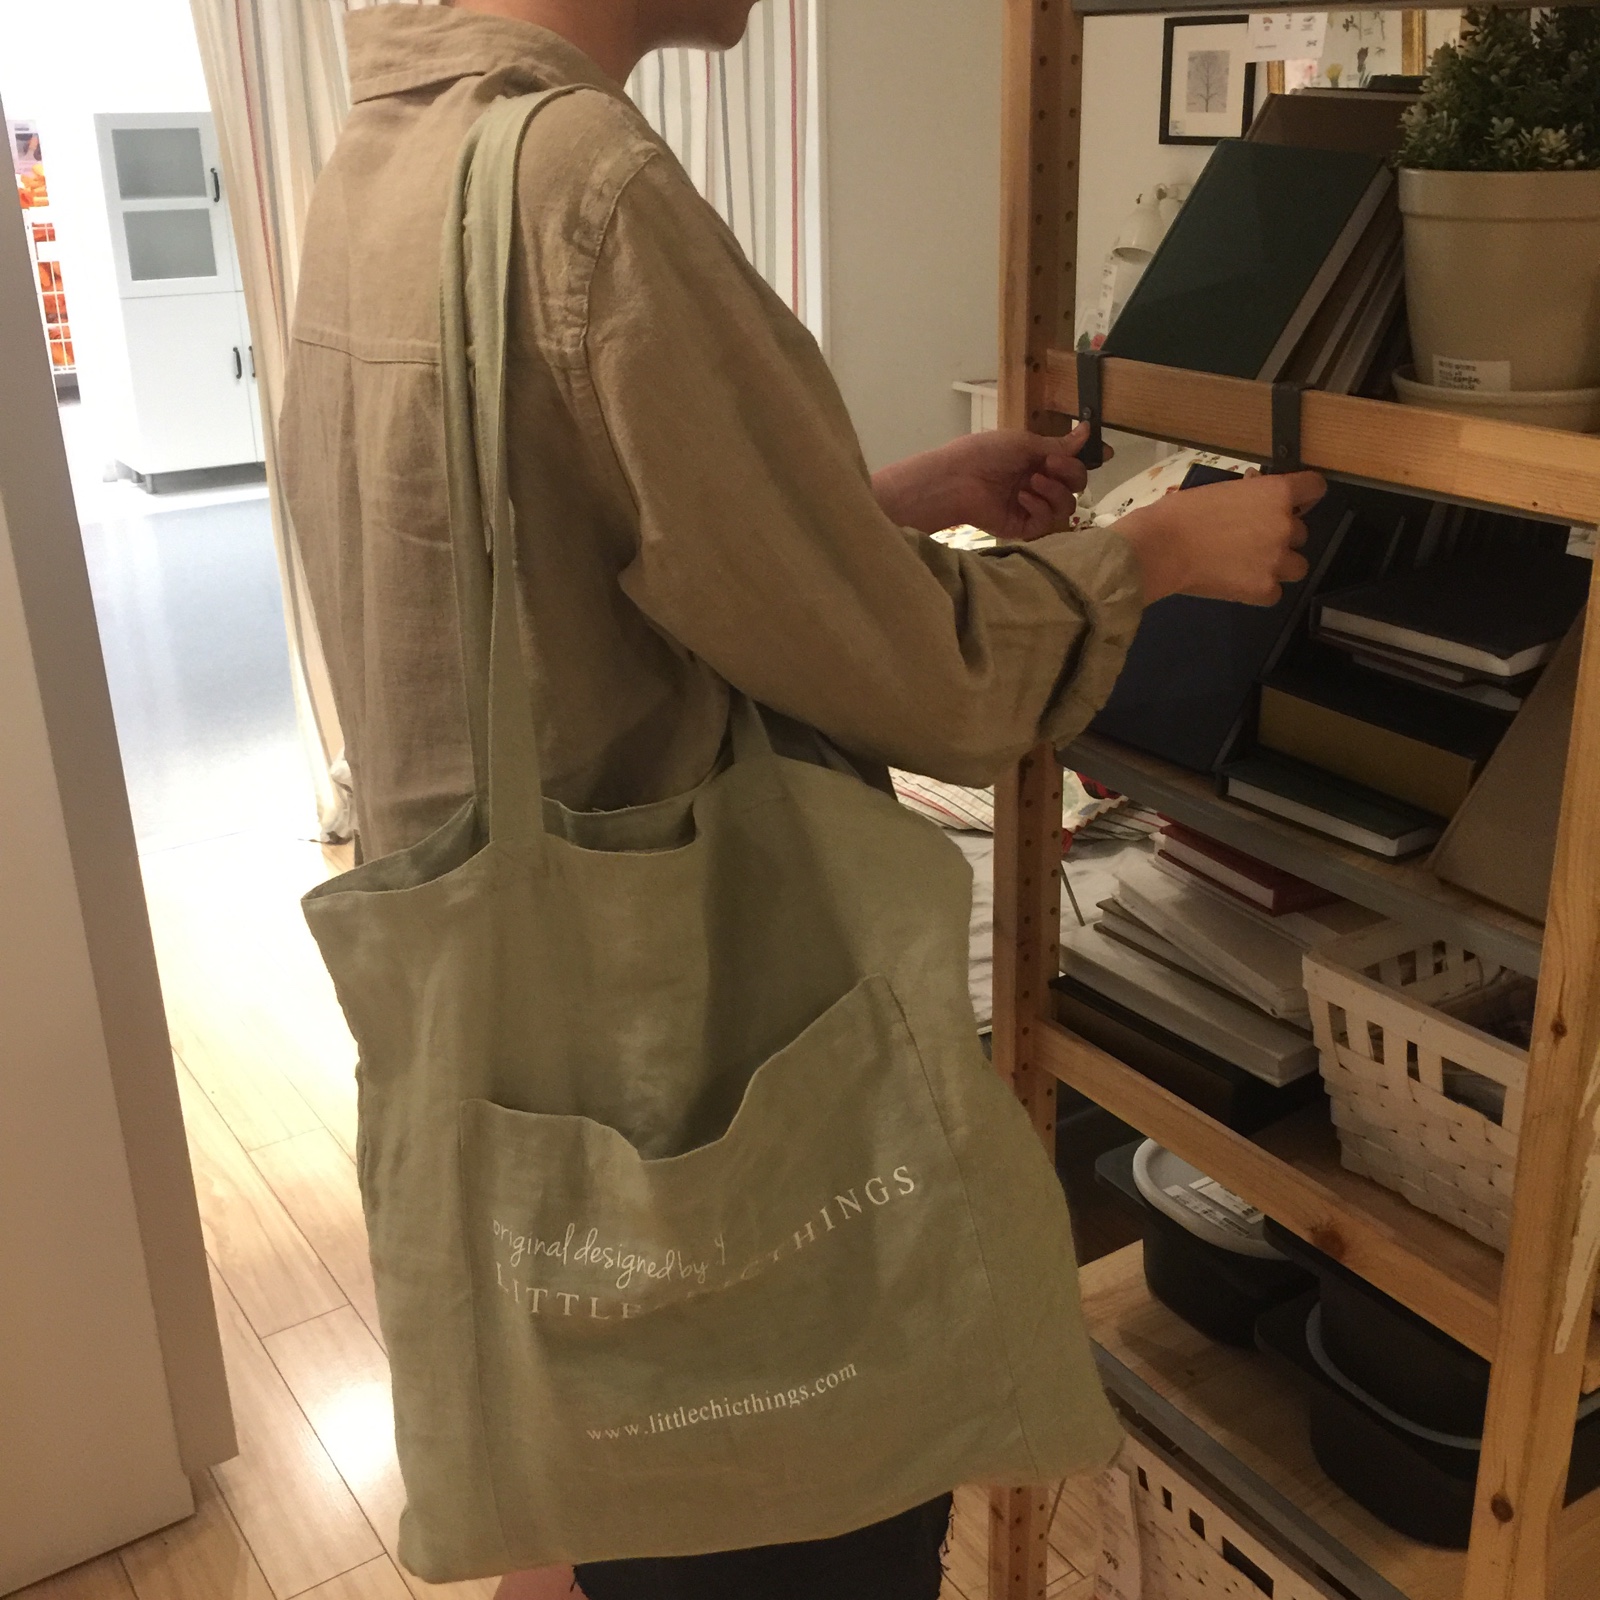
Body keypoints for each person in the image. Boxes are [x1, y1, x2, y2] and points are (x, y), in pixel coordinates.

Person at [279, 2, 1323, 1596]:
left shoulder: (398, 152)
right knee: (786, 1499)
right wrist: (1157, 554)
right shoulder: (587, 183)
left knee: (608, 1477)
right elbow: (930, 687)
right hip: (698, 1046)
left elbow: (551, 557)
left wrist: (877, 505)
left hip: (531, 1024)